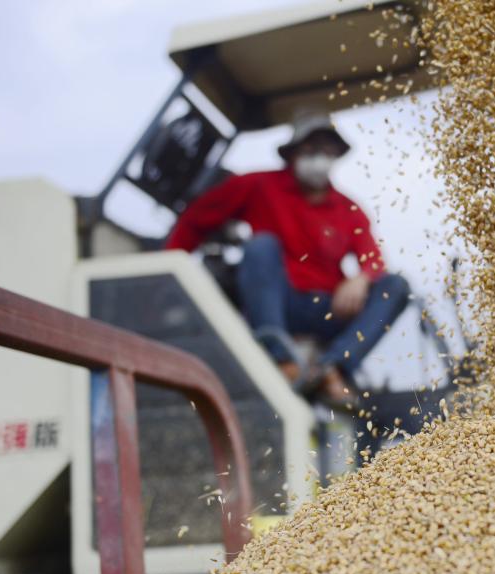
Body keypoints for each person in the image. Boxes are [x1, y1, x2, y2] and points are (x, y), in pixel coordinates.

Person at [164, 110, 410, 408]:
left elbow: (374, 261)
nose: (319, 158)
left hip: (330, 309)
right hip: (279, 302)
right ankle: (281, 360)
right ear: (293, 153)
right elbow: (196, 219)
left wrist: (362, 278)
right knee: (261, 246)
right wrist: (166, 274)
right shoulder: (258, 185)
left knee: (395, 285)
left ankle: (333, 368)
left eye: (327, 151)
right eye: (311, 150)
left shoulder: (349, 210)